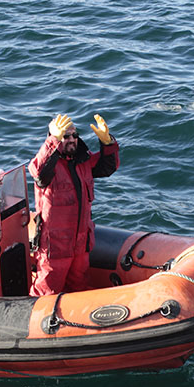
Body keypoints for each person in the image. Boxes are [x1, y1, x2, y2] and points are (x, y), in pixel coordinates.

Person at [28, 112, 120, 296]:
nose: (71, 139)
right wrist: (53, 141)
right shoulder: (48, 165)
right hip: (55, 245)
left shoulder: (83, 161)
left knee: (79, 288)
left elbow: (107, 167)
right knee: (47, 291)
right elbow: (38, 173)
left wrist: (107, 143)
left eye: (74, 135)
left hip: (80, 243)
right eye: (65, 136)